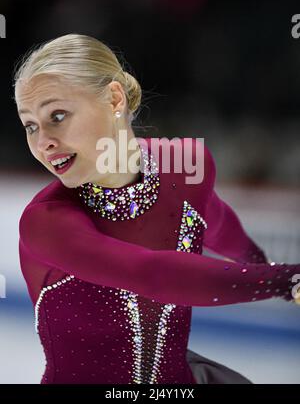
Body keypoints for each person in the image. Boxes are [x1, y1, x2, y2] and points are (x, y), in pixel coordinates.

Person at [14, 34, 300, 385]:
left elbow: (217, 223)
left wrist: (259, 263)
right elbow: (153, 274)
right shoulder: (45, 221)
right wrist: (283, 279)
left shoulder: (184, 165)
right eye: (30, 125)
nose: (43, 142)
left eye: (57, 115)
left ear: (114, 98)